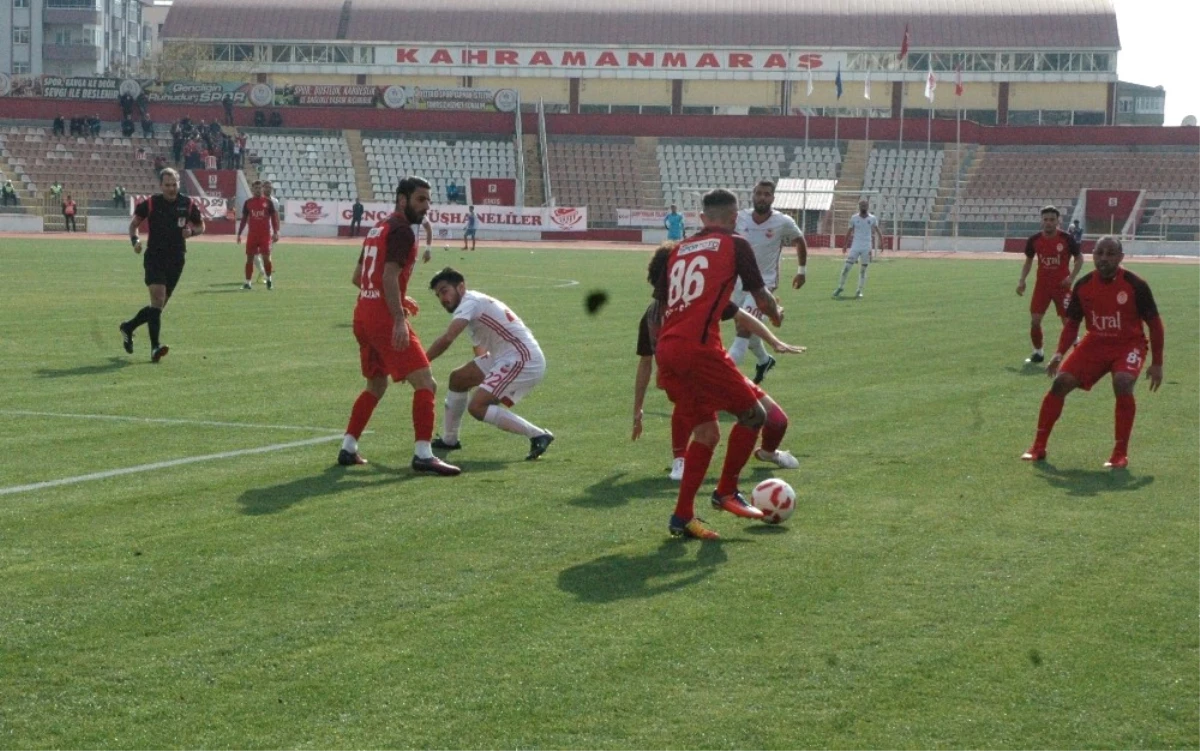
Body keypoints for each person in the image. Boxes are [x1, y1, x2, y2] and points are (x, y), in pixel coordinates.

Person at [654, 188, 783, 540]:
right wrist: (776, 313)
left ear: (702, 217)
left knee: (707, 433)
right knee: (754, 414)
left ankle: (681, 517)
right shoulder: (735, 243)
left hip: (668, 347)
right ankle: (725, 491)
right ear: (733, 217)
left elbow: (664, 304)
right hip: (699, 349)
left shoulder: (677, 250)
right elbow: (760, 295)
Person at [635, 244, 805, 481]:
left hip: (718, 371)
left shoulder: (700, 302)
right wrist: (637, 409)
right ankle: (685, 464)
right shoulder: (652, 316)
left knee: (776, 421)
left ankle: (767, 453)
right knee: (694, 414)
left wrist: (774, 341)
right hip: (690, 379)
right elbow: (645, 363)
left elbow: (742, 316)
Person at [337, 176, 461, 476]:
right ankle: (423, 454)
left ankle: (348, 446)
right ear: (402, 200)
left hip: (362, 315)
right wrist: (397, 318)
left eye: (428, 200)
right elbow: (388, 277)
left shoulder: (379, 227)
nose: (426, 206)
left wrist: (400, 300)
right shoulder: (402, 231)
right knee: (426, 383)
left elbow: (359, 277)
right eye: (421, 199)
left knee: (376, 385)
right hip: (381, 318)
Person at [1022, 236, 1165, 469]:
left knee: (1123, 382)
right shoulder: (1084, 285)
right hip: (1095, 343)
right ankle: (1038, 446)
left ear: (1121, 257)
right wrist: (1059, 353)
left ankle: (1120, 453)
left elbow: (1155, 324)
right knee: (1061, 383)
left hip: (1129, 344)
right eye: (1100, 253)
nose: (1104, 259)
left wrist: (1157, 363)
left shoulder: (1135, 284)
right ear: (1093, 255)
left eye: (1110, 254)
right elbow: (1072, 324)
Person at [425, 267, 555, 460]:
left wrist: (422, 361)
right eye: (438, 295)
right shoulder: (471, 305)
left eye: (445, 291)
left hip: (522, 358)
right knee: (459, 379)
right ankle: (449, 439)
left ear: (461, 287)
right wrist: (485, 380)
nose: (442, 299)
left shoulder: (470, 302)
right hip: (504, 356)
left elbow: (448, 337)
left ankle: (538, 435)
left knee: (477, 407)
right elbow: (480, 351)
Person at [120, 168, 204, 363]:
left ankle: (129, 327)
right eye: (167, 185)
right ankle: (155, 348)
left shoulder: (187, 203)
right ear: (161, 186)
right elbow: (134, 225)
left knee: (158, 307)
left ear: (178, 184)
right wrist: (135, 241)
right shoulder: (151, 203)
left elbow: (201, 225)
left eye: (174, 185)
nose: (171, 189)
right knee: (157, 300)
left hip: (177, 259)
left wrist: (192, 232)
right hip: (155, 257)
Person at [729, 179, 807, 384]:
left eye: (767, 194)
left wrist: (802, 271)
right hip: (738, 282)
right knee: (747, 325)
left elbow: (799, 240)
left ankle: (720, 383)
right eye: (759, 193)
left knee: (743, 330)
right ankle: (764, 360)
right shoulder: (740, 218)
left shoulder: (783, 221)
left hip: (764, 283)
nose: (762, 197)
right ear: (753, 195)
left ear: (773, 198)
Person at [1016, 205, 1083, 363]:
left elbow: (1079, 258)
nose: (1048, 223)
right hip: (1042, 287)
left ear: (1058, 221)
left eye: (1052, 220)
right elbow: (1028, 261)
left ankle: (1078, 352)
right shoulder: (1034, 240)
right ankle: (1038, 352)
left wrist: (1071, 277)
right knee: (1035, 321)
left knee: (1068, 322)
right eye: (1045, 219)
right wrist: (1022, 280)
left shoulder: (1066, 239)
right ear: (1041, 221)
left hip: (1062, 287)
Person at [834, 198, 884, 299]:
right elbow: (849, 231)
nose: (863, 207)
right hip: (855, 246)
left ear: (868, 207)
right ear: (859, 207)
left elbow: (877, 231)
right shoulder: (854, 218)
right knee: (846, 268)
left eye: (865, 205)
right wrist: (845, 245)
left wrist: (881, 243)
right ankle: (840, 287)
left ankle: (859, 290)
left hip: (867, 247)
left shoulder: (872, 218)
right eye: (862, 206)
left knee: (863, 270)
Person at [236, 180, 280, 289]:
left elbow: (274, 218)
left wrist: (275, 232)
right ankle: (248, 282)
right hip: (252, 235)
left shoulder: (268, 202)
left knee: (266, 258)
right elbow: (244, 219)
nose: (258, 190)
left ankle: (269, 279)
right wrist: (239, 234)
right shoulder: (248, 203)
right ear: (252, 190)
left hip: (265, 235)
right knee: (250, 258)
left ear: (262, 189)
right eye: (255, 188)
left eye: (259, 188)